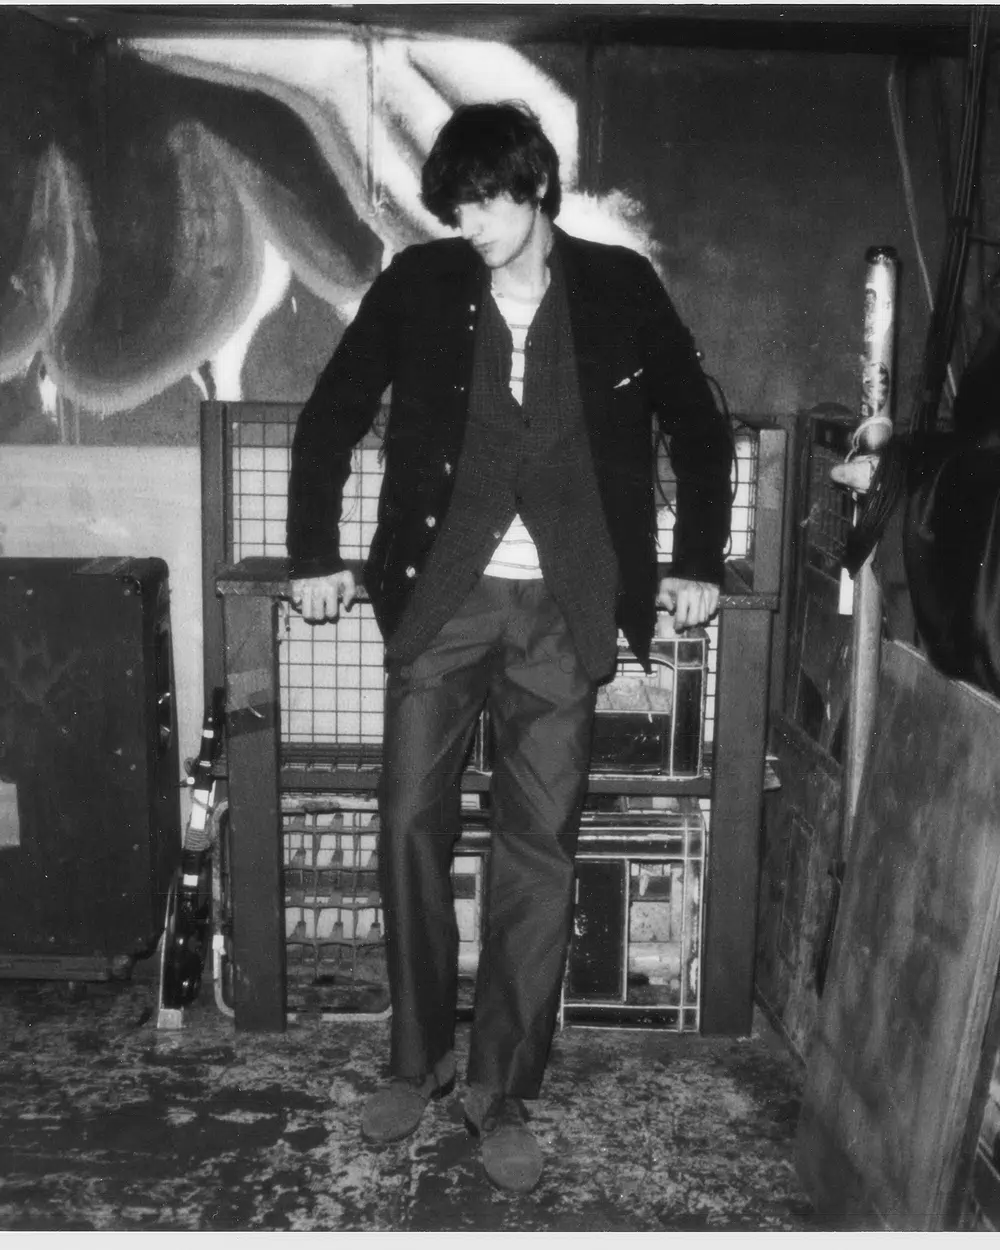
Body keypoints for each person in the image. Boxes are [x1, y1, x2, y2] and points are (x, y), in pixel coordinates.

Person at [286, 101, 733, 1193]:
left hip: (566, 609)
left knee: (540, 845)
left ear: (535, 188)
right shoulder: (420, 283)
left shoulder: (620, 286)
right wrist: (313, 552)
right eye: (457, 206)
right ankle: (417, 1059)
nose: (469, 223)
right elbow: (332, 410)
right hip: (443, 601)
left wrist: (697, 562)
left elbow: (698, 424)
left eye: (484, 201)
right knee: (408, 819)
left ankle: (501, 1085)